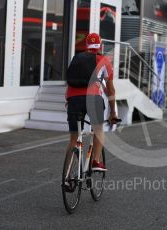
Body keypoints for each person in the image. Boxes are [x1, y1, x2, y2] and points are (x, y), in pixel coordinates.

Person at [65, 33, 118, 172]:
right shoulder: (104, 60)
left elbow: (70, 82)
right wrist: (113, 112)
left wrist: (68, 100)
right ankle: (95, 161)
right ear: (100, 45)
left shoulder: (76, 59)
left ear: (87, 46)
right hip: (93, 98)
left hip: (73, 99)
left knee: (74, 138)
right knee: (99, 129)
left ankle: (67, 176)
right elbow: (111, 90)